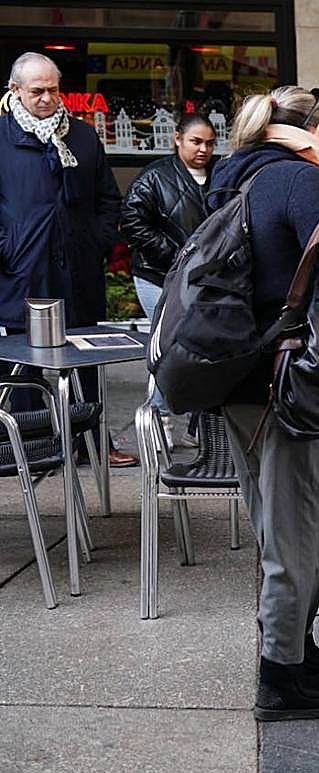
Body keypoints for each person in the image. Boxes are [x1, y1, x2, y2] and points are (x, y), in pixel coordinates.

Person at [209, 85, 319, 721]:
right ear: (315, 133)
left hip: (242, 376)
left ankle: (297, 648)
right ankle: (280, 677)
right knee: (298, 531)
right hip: (289, 382)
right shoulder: (299, 181)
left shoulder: (231, 176)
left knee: (282, 522)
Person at [0, 52, 134, 466]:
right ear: (15, 91)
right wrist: (8, 246)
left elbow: (108, 199)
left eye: (53, 90)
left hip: (77, 266)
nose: (46, 99)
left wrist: (96, 240)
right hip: (21, 269)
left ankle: (90, 441)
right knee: (22, 360)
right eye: (36, 91)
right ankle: (32, 445)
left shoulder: (81, 135)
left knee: (83, 355)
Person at [120, 113, 216, 447]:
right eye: (196, 141)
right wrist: (173, 254)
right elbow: (132, 221)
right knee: (168, 345)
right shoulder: (154, 177)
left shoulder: (220, 176)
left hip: (201, 277)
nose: (203, 149)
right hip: (157, 275)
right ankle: (158, 421)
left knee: (197, 346)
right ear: (177, 139)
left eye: (209, 143)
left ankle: (193, 426)